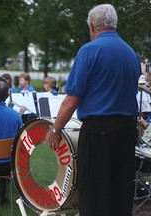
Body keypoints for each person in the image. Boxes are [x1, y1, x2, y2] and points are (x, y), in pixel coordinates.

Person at [47, 4, 141, 216]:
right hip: (127, 129)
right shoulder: (130, 52)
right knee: (121, 190)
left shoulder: (89, 51)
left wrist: (55, 130)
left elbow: (71, 101)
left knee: (95, 192)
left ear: (92, 26)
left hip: (99, 130)